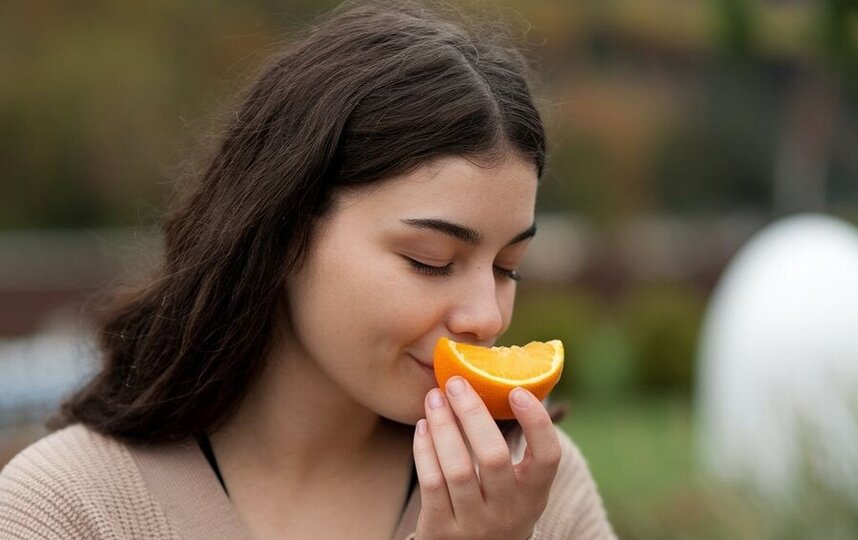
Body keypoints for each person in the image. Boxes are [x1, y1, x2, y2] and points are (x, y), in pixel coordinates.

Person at [0, 1, 616, 538]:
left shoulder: (534, 496)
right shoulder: (68, 508)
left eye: (509, 267)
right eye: (430, 262)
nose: (485, 316)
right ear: (287, 231)